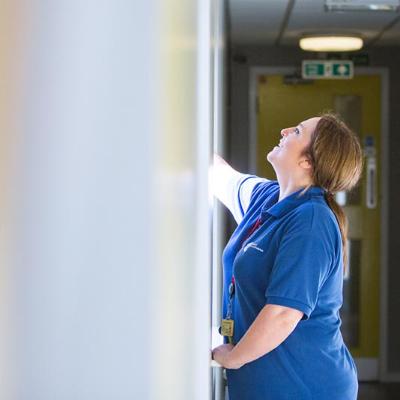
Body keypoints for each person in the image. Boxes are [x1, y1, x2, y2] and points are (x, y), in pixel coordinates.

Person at [211, 114, 363, 400]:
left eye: (296, 131)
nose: (283, 130)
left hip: (307, 388)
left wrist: (234, 358)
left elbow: (283, 314)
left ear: (308, 161)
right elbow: (219, 176)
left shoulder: (312, 221)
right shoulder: (268, 198)